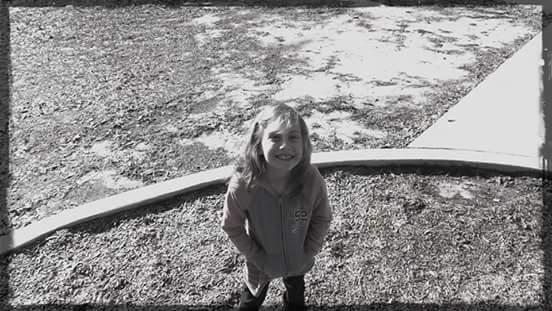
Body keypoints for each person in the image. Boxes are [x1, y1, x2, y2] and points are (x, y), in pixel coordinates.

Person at [221, 103, 332, 311]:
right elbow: (232, 226)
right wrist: (258, 257)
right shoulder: (245, 183)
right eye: (275, 137)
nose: (285, 146)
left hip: (297, 258)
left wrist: (309, 251)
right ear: (258, 143)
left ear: (304, 143)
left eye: (293, 137)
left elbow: (322, 216)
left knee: (297, 295)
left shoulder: (311, 179)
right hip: (261, 263)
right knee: (251, 301)